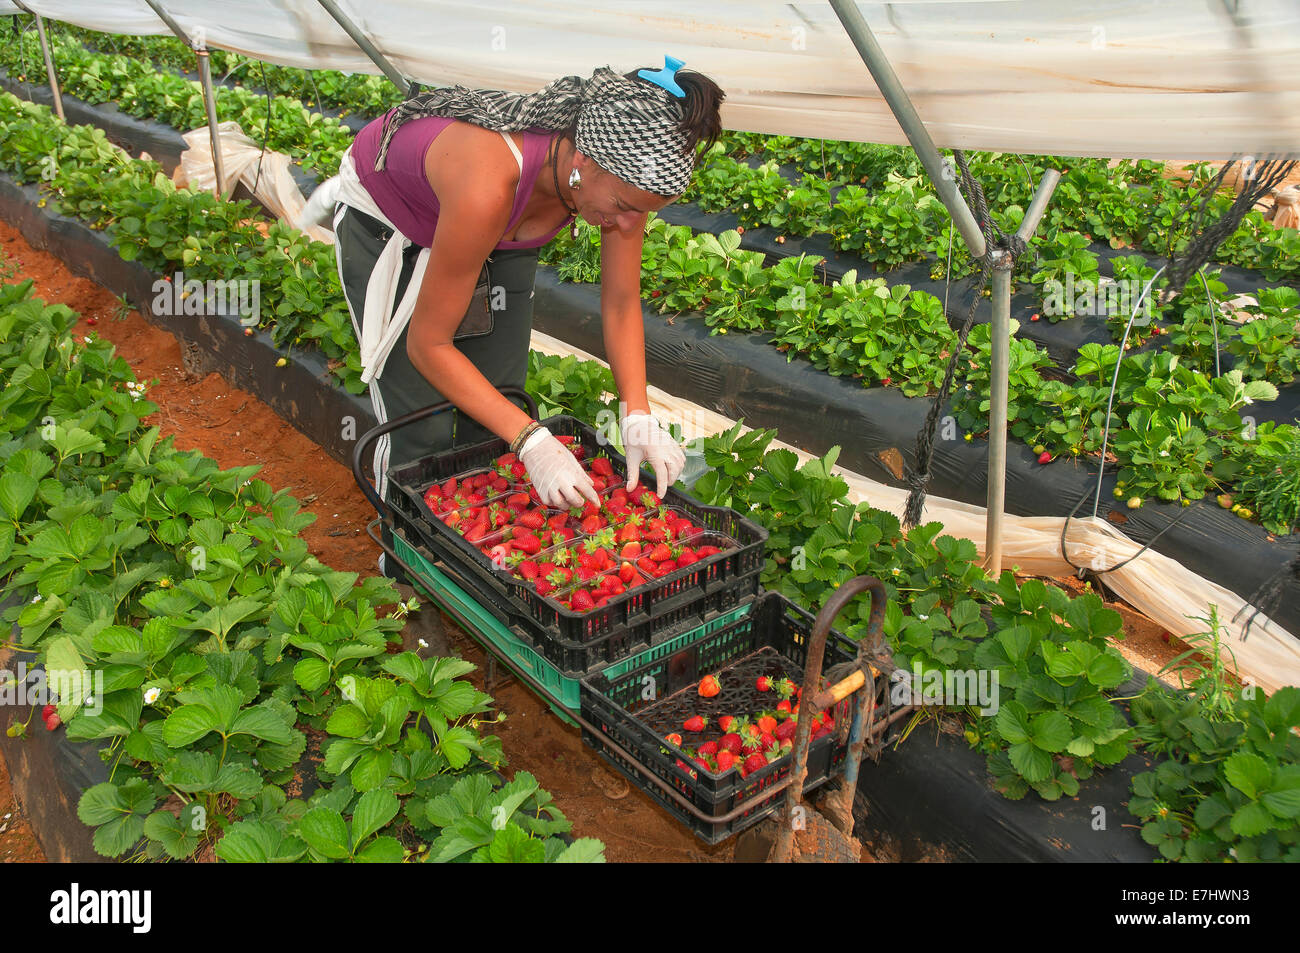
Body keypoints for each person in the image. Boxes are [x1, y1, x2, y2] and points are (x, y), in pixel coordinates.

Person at [318, 58, 725, 578]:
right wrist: (534, 442)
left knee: (499, 401)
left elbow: (621, 301)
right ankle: (407, 570)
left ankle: (477, 559)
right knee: (419, 421)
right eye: (624, 205)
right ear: (584, 158)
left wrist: (637, 412)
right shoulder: (489, 181)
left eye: (643, 212)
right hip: (395, 224)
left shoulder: (615, 185)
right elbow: (428, 345)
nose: (628, 224)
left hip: (502, 223)